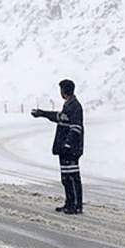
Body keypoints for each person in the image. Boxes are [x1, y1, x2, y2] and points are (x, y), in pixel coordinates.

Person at [31, 79, 84, 214]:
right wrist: (42, 113)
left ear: (64, 91)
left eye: (61, 89)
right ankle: (69, 203)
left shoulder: (75, 106)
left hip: (71, 149)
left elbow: (76, 128)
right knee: (65, 178)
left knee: (72, 177)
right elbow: (58, 117)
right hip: (64, 149)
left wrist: (68, 143)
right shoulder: (68, 105)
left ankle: (76, 205)